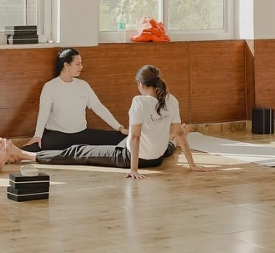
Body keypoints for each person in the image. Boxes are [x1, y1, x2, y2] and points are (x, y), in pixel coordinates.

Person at [35, 65, 210, 179]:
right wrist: (192, 165)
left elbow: (135, 137)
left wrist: (134, 169)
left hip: (130, 157)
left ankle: (28, 155)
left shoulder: (139, 102)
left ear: (141, 84)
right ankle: (169, 140)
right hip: (157, 158)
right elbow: (180, 133)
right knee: (167, 143)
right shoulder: (171, 100)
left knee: (79, 151)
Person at [25, 48, 128, 150]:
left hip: (81, 134)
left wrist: (119, 127)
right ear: (66, 65)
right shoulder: (50, 86)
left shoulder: (83, 85)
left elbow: (98, 107)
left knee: (125, 138)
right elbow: (44, 112)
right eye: (78, 64)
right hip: (57, 135)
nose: (81, 67)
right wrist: (38, 135)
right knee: (31, 148)